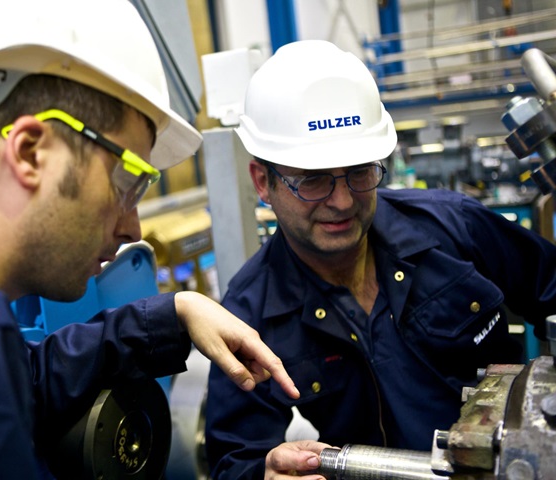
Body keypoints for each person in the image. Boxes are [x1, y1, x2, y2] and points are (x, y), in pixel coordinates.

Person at [0, 1, 302, 478]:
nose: (133, 229)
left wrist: (173, 314)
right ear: (31, 153)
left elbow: (24, 378)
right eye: (128, 182)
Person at [205, 39, 556, 479]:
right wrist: (266, 472)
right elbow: (233, 461)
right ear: (263, 182)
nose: (342, 201)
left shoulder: (454, 227)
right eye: (313, 181)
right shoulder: (249, 315)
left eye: (359, 171)